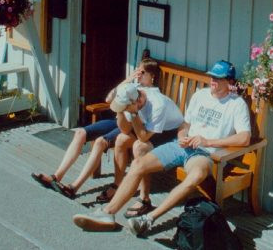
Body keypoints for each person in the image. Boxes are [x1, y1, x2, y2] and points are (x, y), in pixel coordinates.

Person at [72, 59, 251, 235]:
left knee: (195, 175)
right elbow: (185, 125)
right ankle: (107, 214)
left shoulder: (236, 104)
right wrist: (182, 137)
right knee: (139, 164)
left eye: (218, 78)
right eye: (212, 77)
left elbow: (244, 138)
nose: (213, 81)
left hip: (205, 154)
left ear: (230, 82)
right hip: (181, 146)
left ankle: (148, 219)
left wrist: (208, 142)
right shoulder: (200, 95)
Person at [31, 57, 161, 199]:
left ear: (152, 77)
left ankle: (73, 187)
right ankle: (56, 177)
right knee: (80, 133)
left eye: (142, 72)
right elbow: (108, 99)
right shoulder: (134, 86)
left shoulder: (152, 95)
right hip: (117, 120)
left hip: (129, 127)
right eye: (137, 70)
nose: (138, 74)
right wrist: (128, 80)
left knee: (100, 142)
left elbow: (140, 121)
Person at [106, 71, 184, 216]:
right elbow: (124, 129)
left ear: (138, 102)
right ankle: (117, 184)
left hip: (170, 132)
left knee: (139, 147)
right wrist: (122, 112)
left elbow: (142, 137)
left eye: (125, 107)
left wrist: (134, 113)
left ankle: (144, 199)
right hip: (148, 128)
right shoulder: (133, 95)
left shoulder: (157, 105)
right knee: (122, 139)